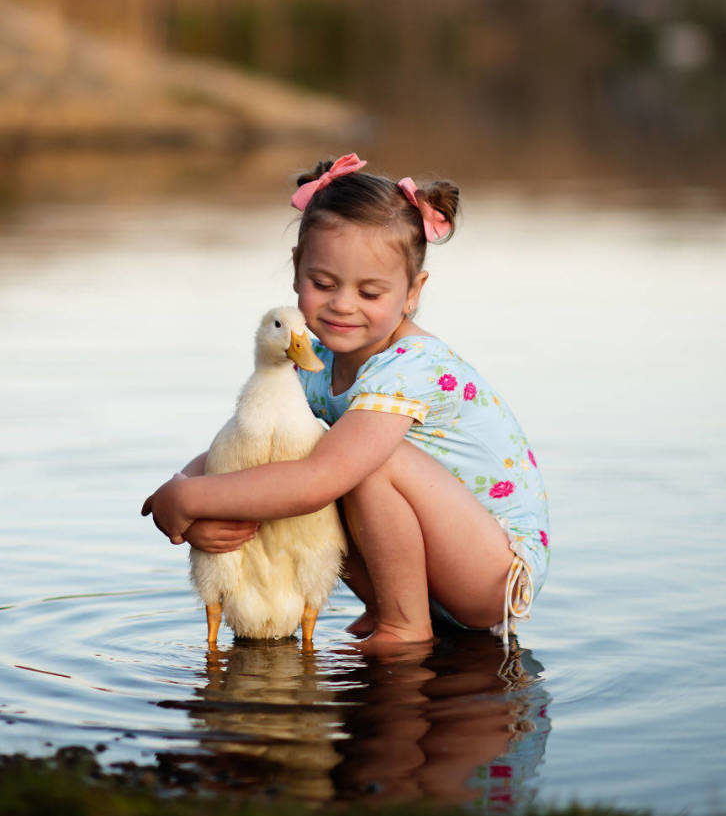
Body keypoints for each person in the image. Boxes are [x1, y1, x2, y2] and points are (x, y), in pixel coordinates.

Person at [142, 153, 550, 652]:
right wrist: (186, 486)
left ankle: (405, 626)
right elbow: (245, 442)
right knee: (298, 449)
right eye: (323, 284)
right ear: (297, 271)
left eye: (370, 291)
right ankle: (389, 606)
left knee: (354, 460)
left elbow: (322, 480)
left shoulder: (412, 364)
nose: (342, 304)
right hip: (433, 568)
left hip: (491, 572)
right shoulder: (307, 363)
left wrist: (193, 501)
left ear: (412, 293)